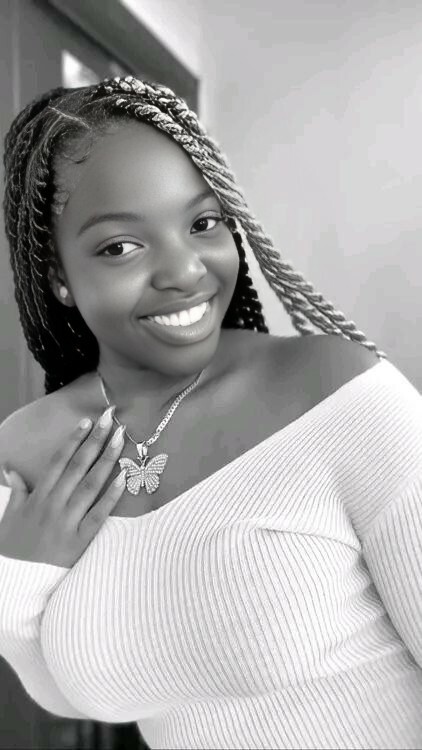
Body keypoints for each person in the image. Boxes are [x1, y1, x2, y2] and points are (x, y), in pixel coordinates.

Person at [0, 75, 421, 750]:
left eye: (203, 223)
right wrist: (18, 569)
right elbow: (65, 693)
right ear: (57, 274)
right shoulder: (27, 448)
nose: (185, 271)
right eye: (120, 245)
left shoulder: (341, 394)